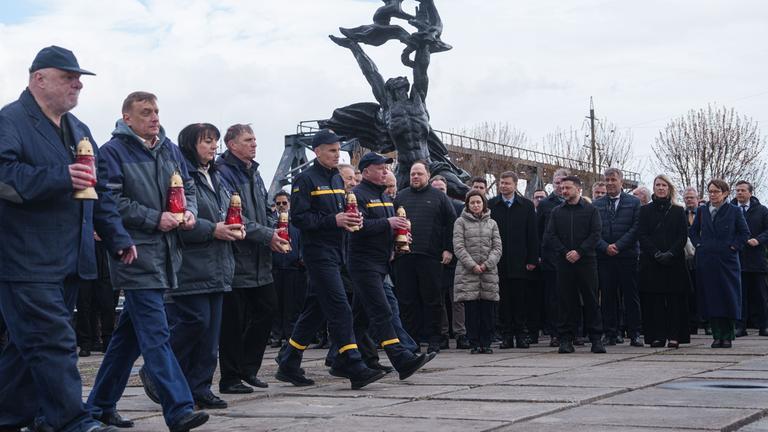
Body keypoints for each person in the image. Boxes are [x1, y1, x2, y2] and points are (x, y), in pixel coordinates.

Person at [0, 45, 134, 432]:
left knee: (28, 349)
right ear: (38, 78)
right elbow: (4, 178)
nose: (78, 83)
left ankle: (12, 416)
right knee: (53, 342)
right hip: (26, 259)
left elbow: (100, 192)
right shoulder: (10, 121)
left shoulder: (79, 130)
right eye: (68, 76)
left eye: (79, 78)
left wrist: (117, 237)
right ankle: (73, 421)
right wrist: (60, 177)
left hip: (72, 258)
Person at [88, 91, 209, 431]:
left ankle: (99, 405)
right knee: (156, 335)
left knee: (127, 340)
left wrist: (189, 212)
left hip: (167, 253)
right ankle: (179, 408)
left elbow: (189, 187)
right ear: (127, 118)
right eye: (145, 112)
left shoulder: (170, 150)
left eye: (156, 111)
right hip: (136, 254)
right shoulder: (112, 152)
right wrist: (155, 218)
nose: (154, 117)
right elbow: (111, 202)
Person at [276, 129, 386, 390]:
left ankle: (289, 362)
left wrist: (349, 221)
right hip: (317, 253)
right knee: (340, 307)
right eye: (332, 150)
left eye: (339, 150)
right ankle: (351, 362)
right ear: (317, 151)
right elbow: (300, 219)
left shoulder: (337, 179)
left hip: (338, 251)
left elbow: (339, 213)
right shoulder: (305, 180)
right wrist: (333, 221)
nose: (338, 154)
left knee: (315, 311)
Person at [161, 123, 239, 410]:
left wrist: (234, 228)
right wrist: (212, 229)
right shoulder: (183, 177)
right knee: (194, 323)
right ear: (190, 145)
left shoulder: (217, 177)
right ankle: (165, 373)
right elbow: (181, 220)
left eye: (214, 141)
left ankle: (200, 387)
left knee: (210, 335)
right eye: (206, 141)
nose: (212, 146)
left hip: (218, 263)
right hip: (191, 264)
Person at [347, 152, 436, 378]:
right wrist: (388, 222)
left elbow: (387, 229)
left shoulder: (386, 197)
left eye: (387, 168)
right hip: (363, 263)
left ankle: (346, 360)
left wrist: (399, 238)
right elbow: (357, 227)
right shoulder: (357, 195)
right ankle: (401, 359)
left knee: (360, 318)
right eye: (380, 168)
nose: (385, 171)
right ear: (366, 171)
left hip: (381, 264)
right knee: (383, 311)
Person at [215, 124, 287, 393]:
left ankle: (248, 369)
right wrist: (266, 234)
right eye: (248, 140)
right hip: (236, 256)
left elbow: (264, 207)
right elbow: (232, 216)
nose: (254, 144)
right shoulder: (223, 173)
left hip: (260, 257)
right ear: (232, 144)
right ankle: (230, 377)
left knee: (267, 309)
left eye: (255, 139)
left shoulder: (254, 172)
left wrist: (275, 229)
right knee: (233, 321)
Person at [393, 161, 457, 353]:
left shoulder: (439, 197)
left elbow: (451, 224)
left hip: (431, 257)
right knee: (407, 301)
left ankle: (434, 339)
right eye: (413, 174)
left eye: (419, 174)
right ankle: (410, 341)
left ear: (427, 175)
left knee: (432, 300)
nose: (415, 177)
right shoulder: (401, 197)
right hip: (404, 256)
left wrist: (448, 249)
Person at [544, 176, 605, 354]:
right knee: (565, 301)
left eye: (568, 188)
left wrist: (580, 251)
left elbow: (595, 234)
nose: (564, 191)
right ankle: (565, 339)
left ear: (578, 189)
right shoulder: (557, 212)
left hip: (586, 261)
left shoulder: (591, 210)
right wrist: (565, 252)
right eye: (562, 188)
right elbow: (550, 235)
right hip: (564, 263)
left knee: (591, 300)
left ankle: (596, 339)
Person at [690, 179, 750, 348]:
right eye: (710, 191)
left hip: (727, 261)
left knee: (728, 297)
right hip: (707, 260)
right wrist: (699, 245)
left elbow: (744, 233)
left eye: (716, 191)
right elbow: (693, 231)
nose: (713, 195)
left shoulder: (734, 211)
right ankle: (717, 335)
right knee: (712, 298)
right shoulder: (702, 211)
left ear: (725, 193)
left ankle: (728, 335)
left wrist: (733, 247)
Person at [638, 175, 691, 348]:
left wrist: (670, 253)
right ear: (653, 188)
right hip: (652, 261)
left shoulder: (678, 210)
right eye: (657, 185)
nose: (661, 188)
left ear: (669, 188)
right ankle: (657, 335)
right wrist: (655, 253)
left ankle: (675, 335)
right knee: (655, 301)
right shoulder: (645, 210)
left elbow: (682, 236)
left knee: (675, 300)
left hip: (674, 262)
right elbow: (642, 235)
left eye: (664, 185)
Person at [593, 168, 642, 347]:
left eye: (613, 179)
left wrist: (619, 246)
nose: (610, 183)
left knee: (631, 296)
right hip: (605, 257)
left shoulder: (634, 202)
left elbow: (636, 228)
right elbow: (593, 231)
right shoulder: (597, 205)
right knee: (607, 296)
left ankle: (634, 332)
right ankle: (610, 332)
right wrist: (605, 247)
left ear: (621, 181)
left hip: (627, 256)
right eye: (607, 180)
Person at [488, 171, 538, 349]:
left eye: (507, 183)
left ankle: (521, 335)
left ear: (515, 185)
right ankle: (506, 335)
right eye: (501, 183)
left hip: (520, 260)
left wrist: (532, 258)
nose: (503, 186)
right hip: (498, 261)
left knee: (520, 300)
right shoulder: (492, 204)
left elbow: (532, 234)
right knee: (503, 302)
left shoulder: (526, 205)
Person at [454, 190, 503, 354]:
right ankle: (474, 342)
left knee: (488, 311)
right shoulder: (460, 222)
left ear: (483, 204)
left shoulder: (492, 223)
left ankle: (486, 343)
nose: (475, 205)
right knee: (472, 311)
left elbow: (497, 247)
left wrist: (487, 264)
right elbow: (459, 247)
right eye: (472, 202)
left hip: (488, 272)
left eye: (478, 202)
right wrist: (472, 265)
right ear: (468, 205)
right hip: (468, 272)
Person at [431, 175, 468, 349]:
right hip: (433, 257)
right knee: (438, 299)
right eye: (436, 189)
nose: (439, 193)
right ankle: (443, 334)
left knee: (457, 299)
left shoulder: (458, 207)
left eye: (442, 190)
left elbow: (460, 233)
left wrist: (451, 251)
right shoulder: (428, 206)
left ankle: (460, 334)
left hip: (454, 258)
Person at [271, 191, 307, 347]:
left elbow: (303, 241)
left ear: (290, 204)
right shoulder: (271, 224)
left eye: (284, 203)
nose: (281, 206)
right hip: (276, 268)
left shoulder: (296, 223)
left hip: (294, 269)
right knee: (276, 305)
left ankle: (290, 336)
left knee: (292, 305)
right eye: (278, 203)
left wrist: (301, 257)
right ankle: (276, 336)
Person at [732, 181, 768, 337]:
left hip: (756, 259)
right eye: (737, 190)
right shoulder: (730, 210)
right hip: (737, 259)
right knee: (740, 295)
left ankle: (764, 325)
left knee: (760, 295)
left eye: (743, 190)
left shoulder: (762, 211)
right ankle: (740, 326)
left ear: (750, 193)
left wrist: (759, 240)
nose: (740, 193)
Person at [537, 168, 569, 347]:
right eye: (557, 182)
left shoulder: (578, 203)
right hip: (551, 258)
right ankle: (555, 333)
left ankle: (572, 331)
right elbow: (539, 231)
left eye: (564, 182)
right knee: (553, 298)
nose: (560, 186)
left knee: (570, 297)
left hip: (573, 257)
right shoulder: (545, 204)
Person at [77, 236, 119, 357]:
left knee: (108, 303)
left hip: (105, 253)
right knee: (84, 303)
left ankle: (107, 341)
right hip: (85, 252)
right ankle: (86, 343)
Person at [683, 186, 703, 334]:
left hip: (702, 255)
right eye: (687, 197)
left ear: (697, 198)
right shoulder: (680, 214)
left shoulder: (703, 214)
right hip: (685, 257)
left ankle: (705, 321)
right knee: (689, 290)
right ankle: (691, 322)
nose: (689, 200)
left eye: (692, 197)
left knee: (703, 290)